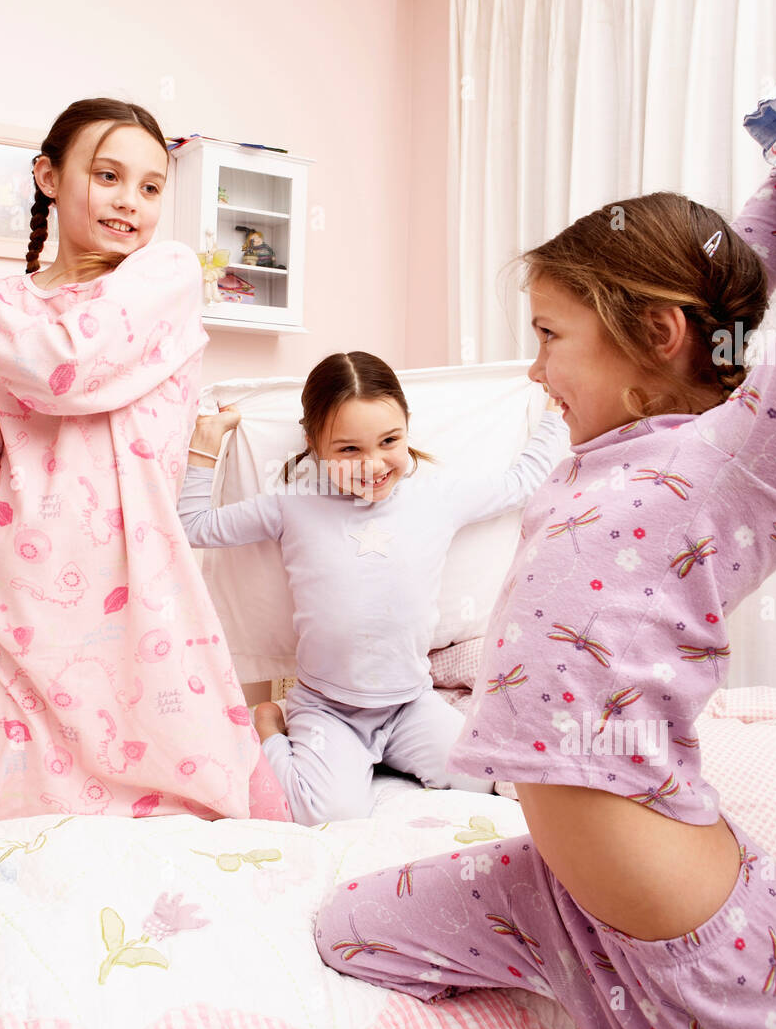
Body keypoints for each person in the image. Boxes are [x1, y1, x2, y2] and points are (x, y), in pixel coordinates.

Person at [314, 164, 776, 1029]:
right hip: (558, 895)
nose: (533, 370)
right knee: (345, 931)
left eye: (547, 336)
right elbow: (732, 281)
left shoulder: (730, 460)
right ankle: (578, 988)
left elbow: (744, 338)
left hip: (679, 920)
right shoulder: (611, 453)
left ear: (655, 337)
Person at [0, 97, 289, 827]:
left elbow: (66, 366)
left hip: (132, 599)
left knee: (173, 814)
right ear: (48, 175)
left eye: (149, 187)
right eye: (108, 175)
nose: (131, 203)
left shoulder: (163, 280)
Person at [178, 350, 568, 823]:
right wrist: (205, 445)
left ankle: (387, 753)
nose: (374, 463)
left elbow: (524, 481)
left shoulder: (438, 495)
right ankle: (270, 726)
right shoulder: (293, 505)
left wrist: (552, 414)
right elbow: (193, 525)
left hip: (409, 703)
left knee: (480, 779)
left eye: (389, 441)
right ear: (313, 444)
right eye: (348, 450)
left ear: (407, 428)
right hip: (329, 707)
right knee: (327, 814)